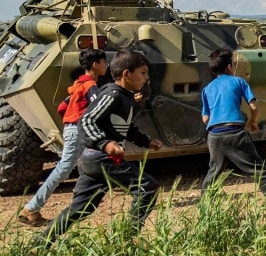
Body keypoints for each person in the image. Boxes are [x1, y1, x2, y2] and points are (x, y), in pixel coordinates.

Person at [37, 50, 163, 246]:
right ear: (126, 74)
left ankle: (39, 244)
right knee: (148, 187)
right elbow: (86, 120)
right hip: (100, 158)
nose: (146, 78)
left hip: (92, 160)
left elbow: (125, 127)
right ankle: (128, 238)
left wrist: (146, 142)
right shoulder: (113, 95)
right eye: (143, 72)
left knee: (81, 208)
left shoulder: (126, 97)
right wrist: (105, 143)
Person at [18, 49, 107, 227]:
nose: (107, 66)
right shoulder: (90, 85)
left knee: (92, 163)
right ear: (95, 65)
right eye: (104, 63)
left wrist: (70, 122)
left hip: (73, 129)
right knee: (64, 168)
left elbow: (62, 107)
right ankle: (31, 209)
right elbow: (100, 105)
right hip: (78, 130)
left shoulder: (78, 85)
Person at [201, 48, 266, 206]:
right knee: (258, 171)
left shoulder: (207, 89)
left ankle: (204, 207)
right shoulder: (238, 81)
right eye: (234, 64)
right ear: (229, 67)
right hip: (235, 133)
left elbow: (205, 118)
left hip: (214, 136)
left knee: (213, 173)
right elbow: (254, 106)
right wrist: (253, 121)